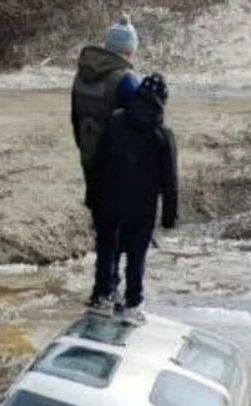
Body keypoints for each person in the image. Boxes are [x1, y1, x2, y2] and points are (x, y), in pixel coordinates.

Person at [85, 73, 178, 326]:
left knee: (107, 249)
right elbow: (170, 182)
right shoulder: (162, 134)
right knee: (136, 257)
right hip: (142, 207)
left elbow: (98, 164)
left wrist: (92, 198)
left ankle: (103, 298)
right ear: (162, 101)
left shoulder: (115, 121)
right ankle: (132, 305)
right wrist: (169, 218)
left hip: (110, 201)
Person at [71, 14, 141, 308]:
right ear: (129, 49)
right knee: (119, 232)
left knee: (103, 229)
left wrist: (87, 152)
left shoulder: (82, 76)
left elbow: (75, 120)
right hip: (119, 168)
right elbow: (142, 125)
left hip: (91, 160)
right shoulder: (125, 81)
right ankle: (108, 291)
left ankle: (102, 289)